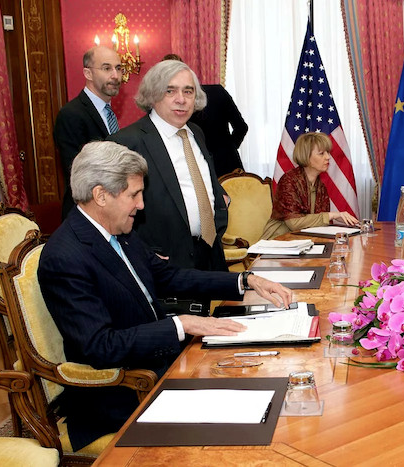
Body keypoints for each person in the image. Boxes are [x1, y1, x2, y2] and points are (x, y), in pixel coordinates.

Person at [38, 141, 292, 451]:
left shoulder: (119, 232)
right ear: (101, 195)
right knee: (245, 419)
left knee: (262, 374)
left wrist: (246, 279)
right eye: (134, 195)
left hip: (160, 361)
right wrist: (180, 325)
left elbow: (170, 277)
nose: (141, 205)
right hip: (121, 389)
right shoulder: (65, 257)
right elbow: (101, 346)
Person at [109, 59, 229, 273]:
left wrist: (220, 203)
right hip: (164, 263)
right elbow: (110, 210)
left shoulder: (196, 133)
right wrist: (139, 251)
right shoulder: (127, 142)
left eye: (188, 91)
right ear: (153, 95)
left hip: (211, 254)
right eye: (170, 91)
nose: (181, 100)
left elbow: (204, 182)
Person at [54, 46, 123, 219]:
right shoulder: (71, 114)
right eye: (106, 68)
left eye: (118, 68)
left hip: (110, 210)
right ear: (88, 73)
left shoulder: (108, 112)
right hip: (86, 214)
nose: (115, 75)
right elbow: (77, 172)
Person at [163, 53, 248, 177]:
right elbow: (241, 127)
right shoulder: (217, 91)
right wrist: (228, 149)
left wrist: (227, 150)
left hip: (197, 168)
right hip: (224, 166)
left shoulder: (167, 103)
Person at [265, 132, 359, 238]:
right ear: (307, 156)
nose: (328, 157)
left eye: (328, 152)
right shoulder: (289, 181)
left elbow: (318, 223)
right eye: (321, 153)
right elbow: (294, 223)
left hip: (304, 240)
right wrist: (332, 215)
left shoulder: (321, 186)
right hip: (278, 240)